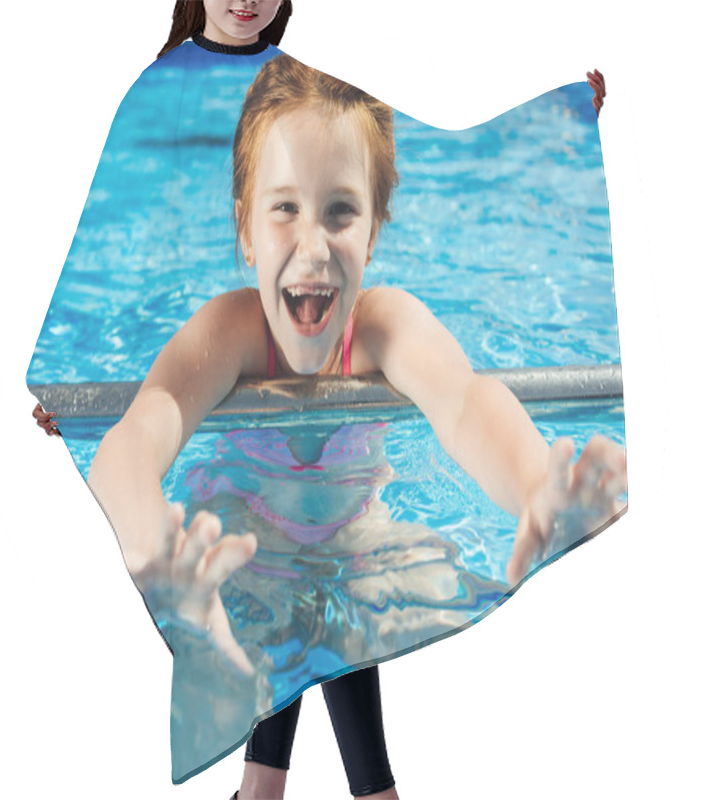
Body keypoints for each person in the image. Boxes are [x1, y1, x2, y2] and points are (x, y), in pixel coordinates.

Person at [33, 4, 617, 799]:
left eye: (340, 211)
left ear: (374, 232)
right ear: (245, 231)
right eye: (285, 209)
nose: (313, 244)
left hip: (351, 529)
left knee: (378, 579)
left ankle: (272, 789)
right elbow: (147, 425)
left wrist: (534, 488)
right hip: (248, 532)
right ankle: (354, 791)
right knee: (290, 589)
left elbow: (467, 403)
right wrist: (146, 534)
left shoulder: (384, 323)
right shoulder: (231, 327)